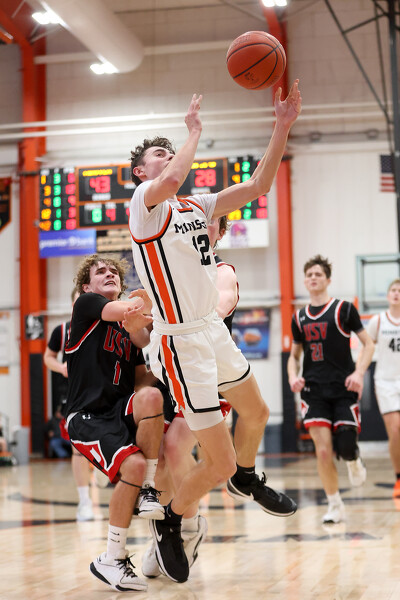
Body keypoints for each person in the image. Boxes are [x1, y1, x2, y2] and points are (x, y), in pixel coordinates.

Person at [129, 82, 302, 583]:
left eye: (170, 151)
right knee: (216, 462)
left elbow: (258, 186)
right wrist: (193, 132)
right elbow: (174, 175)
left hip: (213, 331)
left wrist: (282, 125)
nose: (167, 157)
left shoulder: (197, 206)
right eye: (157, 154)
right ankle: (171, 520)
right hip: (181, 341)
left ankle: (246, 477)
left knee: (258, 412)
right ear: (140, 172)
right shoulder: (145, 205)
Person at [141, 215, 235, 578]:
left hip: (207, 372)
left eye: (210, 222)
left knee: (178, 447)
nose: (199, 226)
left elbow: (221, 306)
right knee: (162, 457)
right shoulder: (168, 267)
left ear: (220, 233)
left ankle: (189, 526)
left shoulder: (222, 271)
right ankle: (167, 532)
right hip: (170, 369)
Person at [65, 254, 165, 593]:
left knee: (151, 398)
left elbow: (141, 380)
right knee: (132, 465)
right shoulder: (87, 306)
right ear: (86, 286)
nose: (109, 274)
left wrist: (170, 367)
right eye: (101, 272)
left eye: (114, 272)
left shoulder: (127, 327)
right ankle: (112, 555)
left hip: (118, 409)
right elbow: (134, 315)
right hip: (87, 416)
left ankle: (146, 491)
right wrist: (155, 303)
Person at [287, 255, 374, 524]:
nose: (313, 278)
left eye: (318, 274)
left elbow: (369, 344)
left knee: (345, 447)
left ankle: (353, 459)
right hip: (314, 391)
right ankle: (335, 505)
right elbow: (294, 356)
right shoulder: (298, 317)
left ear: (328, 280)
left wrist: (359, 373)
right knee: (323, 451)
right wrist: (292, 376)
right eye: (309, 274)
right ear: (305, 281)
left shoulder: (344, 309)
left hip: (343, 388)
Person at [44, 288, 95, 521]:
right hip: (75, 396)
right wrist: (61, 367)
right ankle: (84, 501)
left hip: (105, 393)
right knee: (78, 450)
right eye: (79, 301)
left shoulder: (106, 325)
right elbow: (48, 357)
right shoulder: (62, 330)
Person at [367, 279, 400, 498]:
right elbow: (366, 348)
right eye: (393, 290)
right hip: (386, 381)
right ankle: (399, 478)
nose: (396, 293)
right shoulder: (377, 321)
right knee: (395, 429)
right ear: (388, 295)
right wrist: (358, 373)